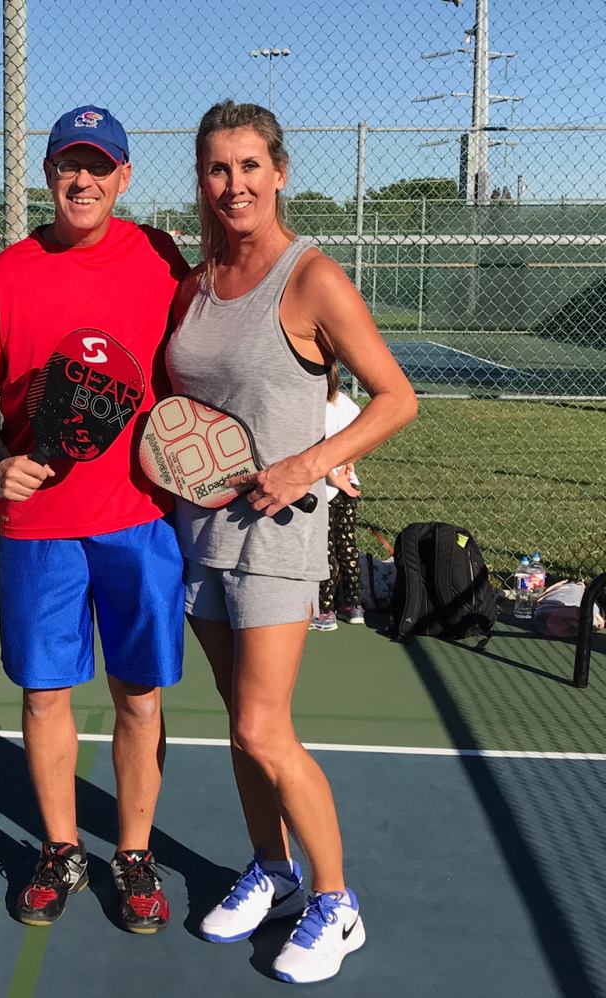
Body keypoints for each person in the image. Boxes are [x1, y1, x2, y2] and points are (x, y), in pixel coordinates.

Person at [166, 100, 417, 984]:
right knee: (239, 731)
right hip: (198, 530)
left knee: (265, 728)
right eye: (216, 169)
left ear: (278, 172)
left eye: (247, 166)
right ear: (200, 178)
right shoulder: (195, 282)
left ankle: (335, 901)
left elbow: (396, 397)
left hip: (276, 533)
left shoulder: (310, 278)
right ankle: (271, 872)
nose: (232, 184)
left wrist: (308, 463)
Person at [0, 106, 188, 933]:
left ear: (124, 177)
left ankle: (133, 853)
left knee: (139, 698)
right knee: (46, 697)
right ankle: (61, 849)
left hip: (140, 522)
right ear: (48, 174)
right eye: (67, 164)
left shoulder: (163, 261)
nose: (81, 180)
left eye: (99, 166)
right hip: (40, 527)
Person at [312, 368, 364, 631]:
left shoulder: (311, 407)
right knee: (348, 548)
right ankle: (354, 604)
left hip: (325, 489)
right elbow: (361, 437)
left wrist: (335, 477)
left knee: (325, 551)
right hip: (346, 487)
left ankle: (325, 610)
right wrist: (348, 467)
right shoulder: (346, 403)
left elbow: (313, 452)